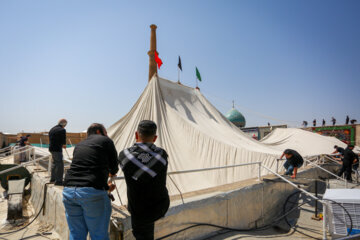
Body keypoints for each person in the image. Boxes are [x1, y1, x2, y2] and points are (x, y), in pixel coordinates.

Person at [63, 123, 119, 240]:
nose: (107, 135)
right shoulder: (105, 140)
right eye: (105, 132)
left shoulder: (79, 144)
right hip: (91, 194)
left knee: (76, 235)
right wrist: (111, 174)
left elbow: (83, 167)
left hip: (68, 191)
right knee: (99, 235)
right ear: (99, 132)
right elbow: (114, 166)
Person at [118, 120, 170, 240]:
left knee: (141, 235)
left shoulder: (124, 155)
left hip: (138, 208)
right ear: (155, 138)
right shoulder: (162, 154)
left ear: (136, 135)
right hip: (160, 205)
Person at [49, 119, 67, 185]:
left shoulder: (52, 129)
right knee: (60, 164)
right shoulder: (62, 130)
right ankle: (59, 181)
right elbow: (63, 140)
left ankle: (52, 179)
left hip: (51, 148)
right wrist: (64, 145)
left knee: (54, 164)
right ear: (64, 124)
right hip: (57, 149)